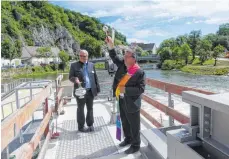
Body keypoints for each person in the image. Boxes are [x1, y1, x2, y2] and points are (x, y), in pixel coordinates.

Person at [105, 36, 146, 154]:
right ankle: (128, 139)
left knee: (134, 125)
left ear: (133, 59)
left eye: (126, 56)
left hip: (132, 103)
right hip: (122, 100)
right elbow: (113, 56)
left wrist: (125, 90)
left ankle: (136, 145)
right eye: (124, 56)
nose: (124, 57)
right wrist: (110, 45)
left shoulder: (139, 72)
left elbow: (141, 89)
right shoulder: (123, 66)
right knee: (125, 121)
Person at [69, 49, 100, 132]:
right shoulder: (74, 65)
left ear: (87, 56)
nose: (82, 57)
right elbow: (70, 77)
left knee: (90, 108)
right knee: (80, 109)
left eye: (84, 56)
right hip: (80, 91)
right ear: (79, 56)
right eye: (81, 56)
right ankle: (81, 127)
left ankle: (90, 124)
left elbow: (95, 78)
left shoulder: (91, 65)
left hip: (90, 91)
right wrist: (75, 79)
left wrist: (97, 89)